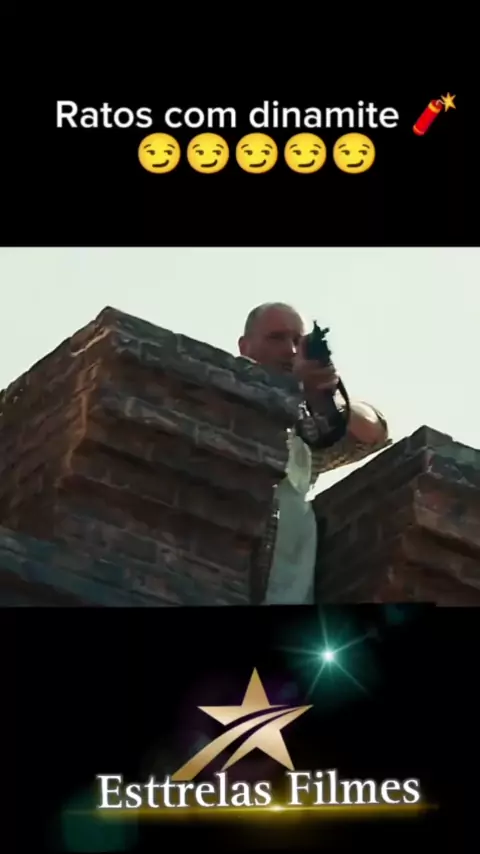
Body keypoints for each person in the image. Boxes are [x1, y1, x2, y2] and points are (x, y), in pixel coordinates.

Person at [238, 302, 390, 605]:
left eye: (298, 341)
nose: (290, 350)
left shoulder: (308, 426)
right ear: (245, 346)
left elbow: (374, 431)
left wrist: (326, 396)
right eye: (276, 338)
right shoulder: (226, 393)